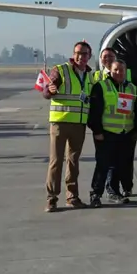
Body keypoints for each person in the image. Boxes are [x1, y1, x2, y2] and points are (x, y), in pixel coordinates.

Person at [42, 41, 94, 212]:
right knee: (56, 161)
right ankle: (52, 198)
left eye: (85, 54)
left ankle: (72, 197)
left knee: (73, 162)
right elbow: (47, 91)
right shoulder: (61, 70)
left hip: (79, 124)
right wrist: (50, 90)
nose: (81, 56)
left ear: (89, 56)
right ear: (73, 54)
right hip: (60, 122)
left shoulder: (89, 75)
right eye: (78, 53)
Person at [87, 59, 137, 207]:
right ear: (110, 70)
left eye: (121, 70)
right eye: (116, 70)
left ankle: (114, 192)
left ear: (126, 71)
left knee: (119, 165)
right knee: (103, 165)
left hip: (126, 133)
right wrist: (97, 131)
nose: (119, 73)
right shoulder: (101, 86)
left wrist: (136, 130)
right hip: (106, 133)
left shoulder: (132, 88)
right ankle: (95, 194)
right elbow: (94, 111)